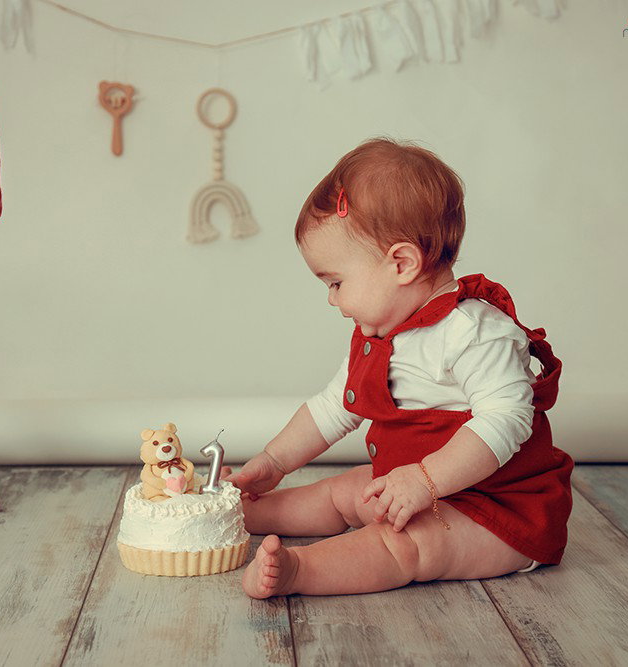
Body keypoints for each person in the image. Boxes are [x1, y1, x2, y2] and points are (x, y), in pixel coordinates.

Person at [223, 138, 574, 598]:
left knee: (404, 545)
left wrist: (426, 479)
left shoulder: (474, 331)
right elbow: (335, 407)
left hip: (495, 508)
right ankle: (246, 513)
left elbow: (506, 419)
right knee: (344, 491)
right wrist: (274, 460)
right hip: (415, 484)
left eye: (336, 282)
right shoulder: (382, 334)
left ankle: (301, 570)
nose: (331, 298)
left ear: (402, 263)